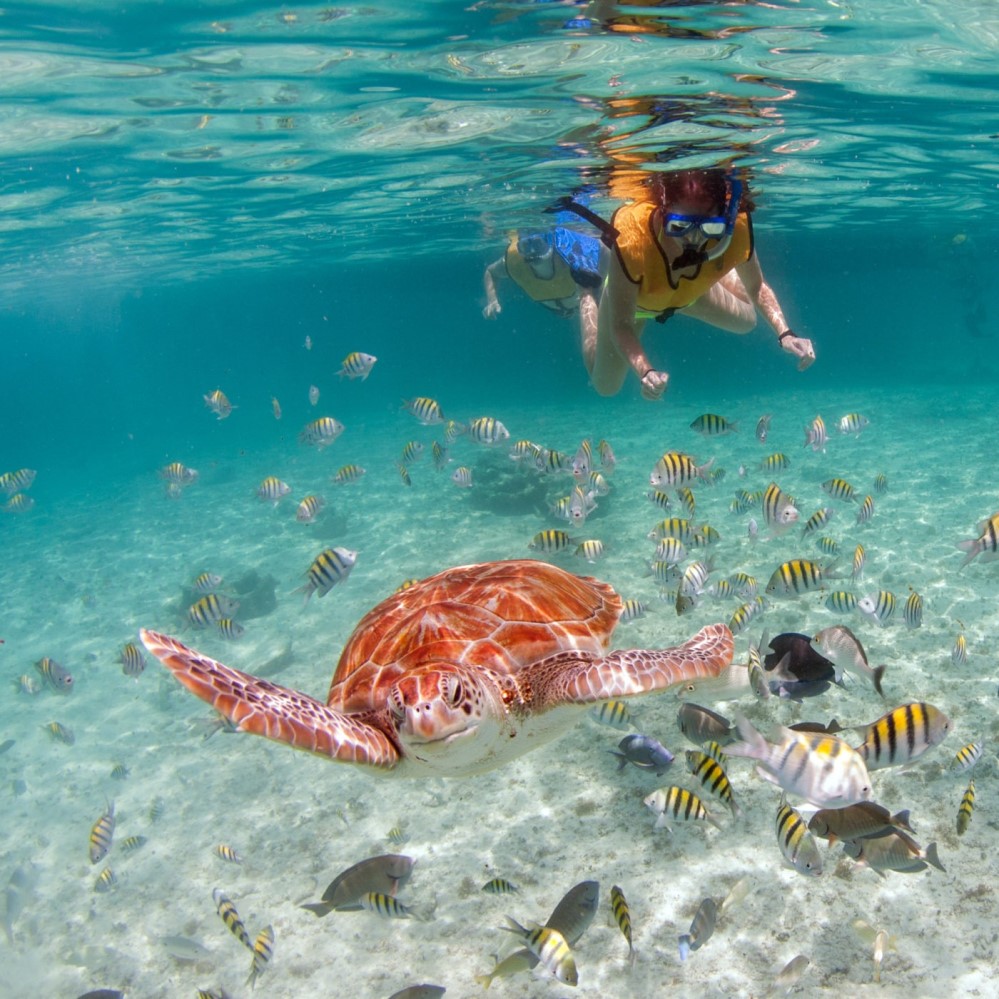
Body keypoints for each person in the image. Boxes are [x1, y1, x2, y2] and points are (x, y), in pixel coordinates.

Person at [584, 167, 815, 400]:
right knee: (606, 387)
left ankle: (713, 269)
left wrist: (786, 334)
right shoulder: (634, 240)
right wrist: (646, 371)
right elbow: (621, 326)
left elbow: (756, 287)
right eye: (680, 227)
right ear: (663, 212)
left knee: (747, 321)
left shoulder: (734, 230)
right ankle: (583, 294)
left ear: (723, 218)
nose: (693, 241)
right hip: (636, 304)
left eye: (710, 229)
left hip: (690, 296)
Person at [482, 227, 604, 347]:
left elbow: (602, 257)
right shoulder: (515, 262)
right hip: (556, 310)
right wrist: (492, 300)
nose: (532, 251)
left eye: (538, 244)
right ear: (519, 248)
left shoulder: (569, 256)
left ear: (550, 243)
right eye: (525, 246)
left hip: (579, 306)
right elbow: (491, 272)